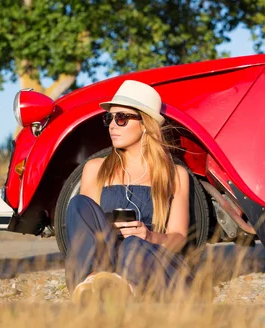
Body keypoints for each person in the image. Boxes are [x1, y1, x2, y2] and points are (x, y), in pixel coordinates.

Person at [64, 79, 192, 304]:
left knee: (133, 244)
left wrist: (148, 235)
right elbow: (88, 227)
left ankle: (124, 291)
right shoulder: (95, 169)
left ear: (145, 124)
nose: (112, 125)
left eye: (121, 118)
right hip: (109, 259)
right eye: (109, 118)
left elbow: (179, 238)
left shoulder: (174, 174)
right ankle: (91, 283)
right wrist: (108, 229)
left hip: (149, 257)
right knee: (78, 204)